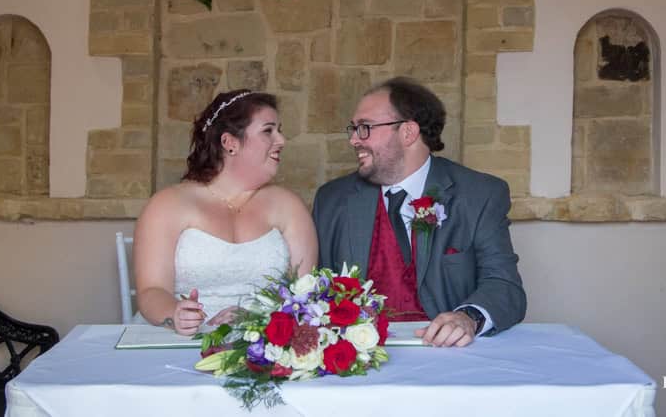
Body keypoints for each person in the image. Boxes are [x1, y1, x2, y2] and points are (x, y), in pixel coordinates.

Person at [313, 77, 526, 347]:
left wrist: (468, 318)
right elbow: (314, 290)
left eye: (365, 128)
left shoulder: (479, 195)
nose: (354, 139)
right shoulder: (332, 200)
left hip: (448, 356)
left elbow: (505, 286)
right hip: (358, 361)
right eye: (353, 129)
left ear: (408, 132)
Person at [133, 89, 317, 335]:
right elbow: (151, 291)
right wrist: (175, 314)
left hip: (265, 341)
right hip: (180, 338)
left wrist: (259, 318)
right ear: (230, 143)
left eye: (279, 130)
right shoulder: (167, 204)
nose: (281, 140)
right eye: (268, 131)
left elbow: (304, 292)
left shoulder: (289, 206)